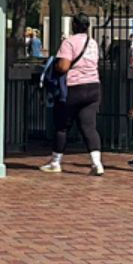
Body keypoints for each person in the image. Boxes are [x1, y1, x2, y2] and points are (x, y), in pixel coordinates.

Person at [41, 14, 104, 175]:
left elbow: (63, 66)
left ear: (74, 25)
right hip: (94, 87)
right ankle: (96, 163)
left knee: (62, 126)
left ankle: (56, 161)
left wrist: (53, 66)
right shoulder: (93, 43)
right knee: (89, 126)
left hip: (74, 87)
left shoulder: (69, 42)